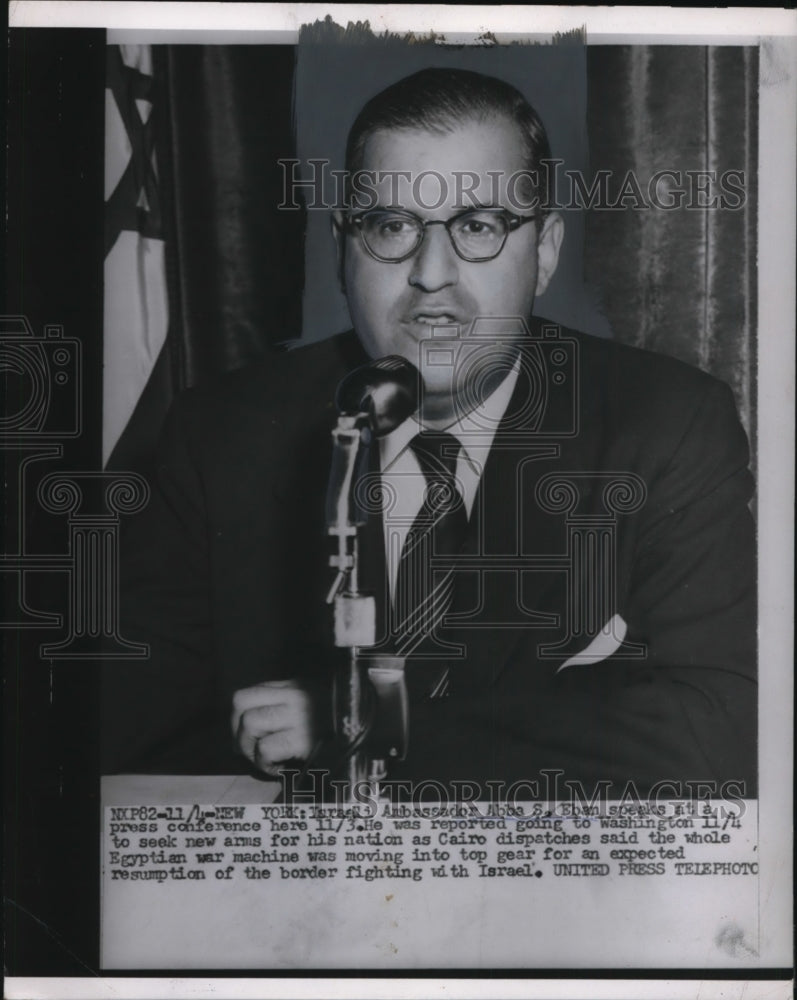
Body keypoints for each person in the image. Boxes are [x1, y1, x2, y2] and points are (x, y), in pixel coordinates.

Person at [103, 68, 757, 799]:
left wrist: (366, 723)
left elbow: (721, 725)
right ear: (341, 251)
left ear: (542, 253)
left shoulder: (666, 422)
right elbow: (129, 733)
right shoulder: (220, 434)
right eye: (390, 227)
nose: (430, 275)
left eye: (477, 227)